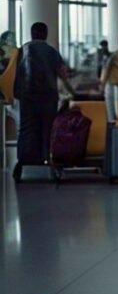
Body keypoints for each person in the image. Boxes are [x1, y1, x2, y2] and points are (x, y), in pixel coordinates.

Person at [13, 22, 74, 182]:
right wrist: (72, 92)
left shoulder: (21, 51)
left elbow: (14, 73)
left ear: (31, 33)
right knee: (47, 128)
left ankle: (23, 161)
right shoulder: (52, 52)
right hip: (48, 96)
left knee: (26, 128)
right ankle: (47, 158)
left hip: (26, 97)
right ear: (45, 34)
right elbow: (63, 74)